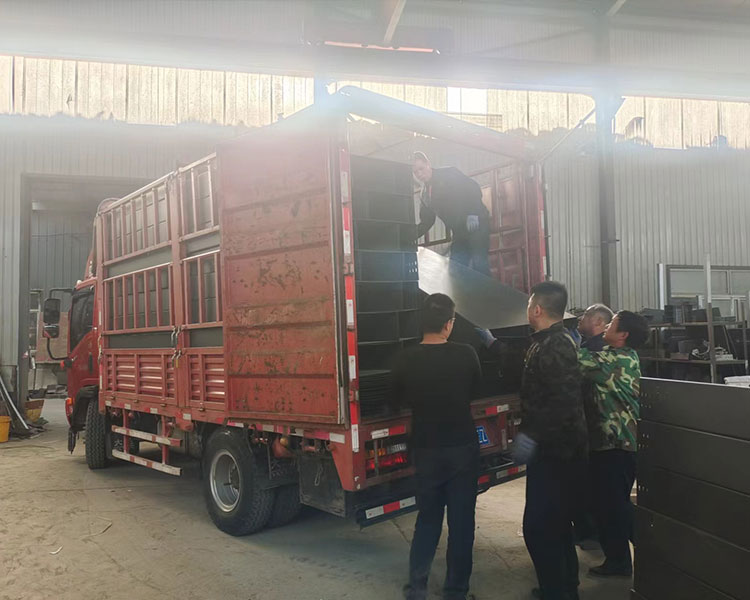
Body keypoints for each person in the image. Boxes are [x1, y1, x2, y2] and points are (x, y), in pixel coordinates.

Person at [390, 293, 482, 600]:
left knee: (427, 519)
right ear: (449, 324)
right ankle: (455, 591)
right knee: (461, 523)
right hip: (462, 448)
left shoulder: (405, 358)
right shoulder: (466, 354)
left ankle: (417, 588)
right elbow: (475, 390)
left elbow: (395, 399)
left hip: (426, 448)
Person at [514, 281, 588, 600]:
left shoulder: (555, 345)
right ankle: (564, 587)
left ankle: (557, 591)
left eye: (529, 305)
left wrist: (531, 437)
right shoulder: (548, 341)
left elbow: (562, 403)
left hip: (557, 453)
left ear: (537, 309)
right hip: (555, 450)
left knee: (539, 527)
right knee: (555, 524)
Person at [578, 310, 648, 578]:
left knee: (614, 506)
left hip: (617, 445)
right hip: (614, 445)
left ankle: (631, 557)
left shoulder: (613, 360)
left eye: (611, 324)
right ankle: (623, 557)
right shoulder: (622, 354)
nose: (606, 325)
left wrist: (566, 334)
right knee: (610, 504)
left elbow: (572, 360)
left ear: (623, 335)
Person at [573, 303, 614, 545]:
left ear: (599, 322)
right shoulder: (591, 346)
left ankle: (592, 533)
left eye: (587, 315)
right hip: (593, 426)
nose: (581, 317)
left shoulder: (597, 350)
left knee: (593, 485)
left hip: (596, 427)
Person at [413, 152, 491, 276]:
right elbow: (427, 221)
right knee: (456, 268)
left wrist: (473, 213)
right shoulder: (425, 195)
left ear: (428, 164)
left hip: (477, 224)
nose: (419, 174)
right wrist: (410, 236)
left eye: (421, 169)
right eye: (416, 172)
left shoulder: (448, 174)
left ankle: (487, 288)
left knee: (479, 263)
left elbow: (473, 187)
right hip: (459, 232)